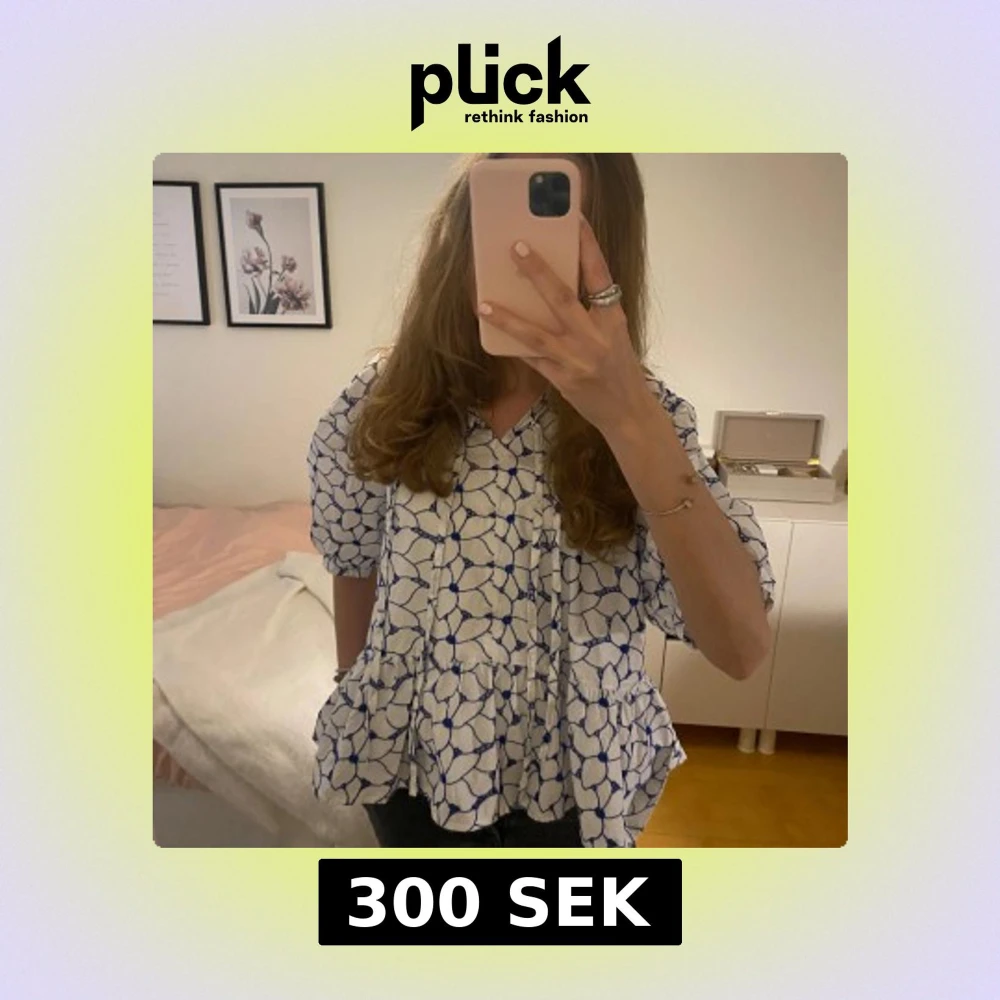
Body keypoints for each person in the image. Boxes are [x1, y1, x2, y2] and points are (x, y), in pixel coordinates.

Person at [308, 153, 775, 848]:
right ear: (463, 233)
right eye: (501, 224)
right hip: (414, 768)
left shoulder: (652, 421)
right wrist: (356, 683)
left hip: (574, 779)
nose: (525, 259)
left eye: (555, 230)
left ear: (606, 247)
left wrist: (628, 418)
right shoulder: (379, 402)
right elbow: (354, 560)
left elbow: (740, 648)